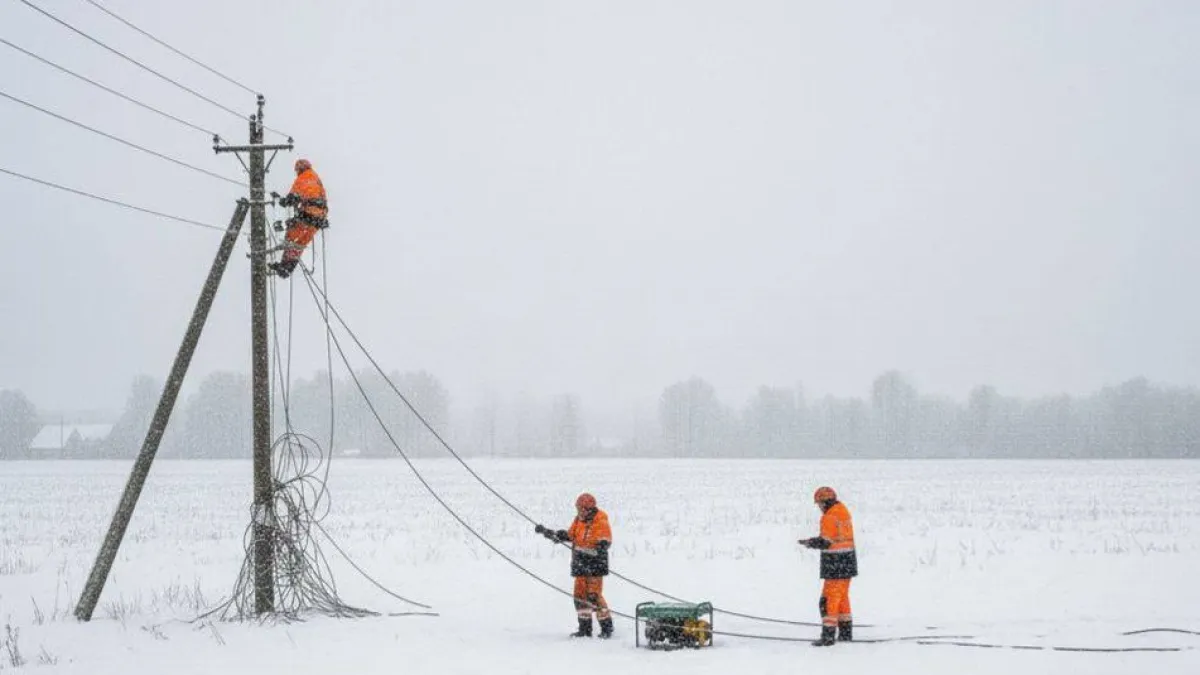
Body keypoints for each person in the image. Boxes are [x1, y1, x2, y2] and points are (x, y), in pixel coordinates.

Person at [535, 492, 614, 638]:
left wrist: (598, 547)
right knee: (579, 596)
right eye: (578, 509)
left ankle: (606, 628)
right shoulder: (578, 520)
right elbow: (570, 535)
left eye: (581, 509)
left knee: (594, 596)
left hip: (595, 565)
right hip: (580, 564)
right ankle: (585, 629)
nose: (579, 512)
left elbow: (605, 541)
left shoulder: (600, 520)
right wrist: (549, 533)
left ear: (589, 509)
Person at [798, 486, 856, 646]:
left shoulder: (829, 517)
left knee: (828, 600)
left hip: (835, 564)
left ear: (825, 502)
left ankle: (828, 636)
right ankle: (845, 633)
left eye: (819, 504)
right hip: (848, 562)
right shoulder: (843, 512)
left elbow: (826, 541)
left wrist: (810, 542)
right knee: (842, 599)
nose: (819, 507)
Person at [268, 158, 328, 279]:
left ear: (299, 169)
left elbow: (293, 196)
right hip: (319, 219)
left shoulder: (303, 178)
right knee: (300, 243)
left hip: (308, 214)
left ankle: (285, 266)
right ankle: (287, 268)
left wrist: (284, 201)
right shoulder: (316, 179)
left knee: (291, 237)